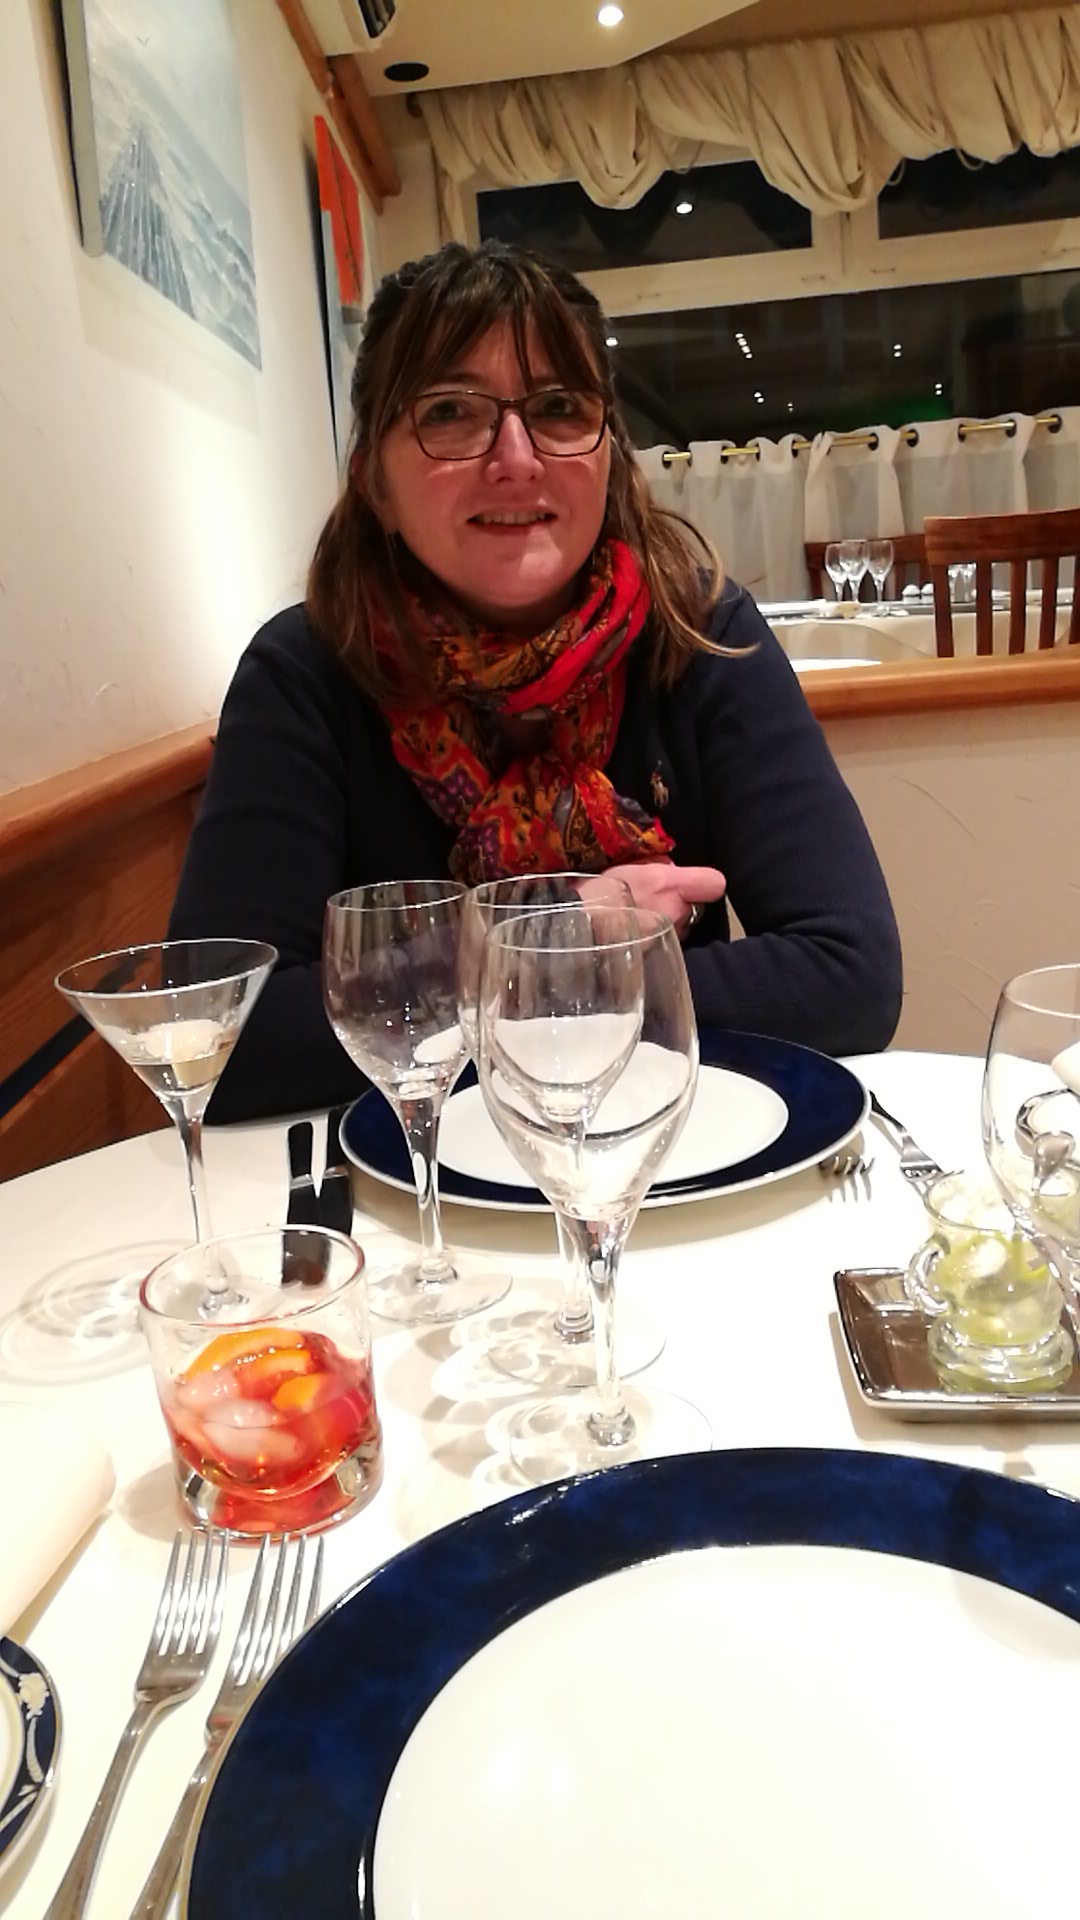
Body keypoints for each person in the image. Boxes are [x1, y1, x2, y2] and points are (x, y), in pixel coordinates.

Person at [170, 240, 902, 1122]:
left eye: (558, 407)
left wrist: (479, 986)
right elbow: (224, 1037)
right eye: (450, 412)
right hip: (416, 1187)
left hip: (665, 1151)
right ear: (375, 484)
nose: (516, 457)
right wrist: (570, 926)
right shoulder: (304, 674)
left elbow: (850, 974)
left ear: (608, 453)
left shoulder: (699, 631)